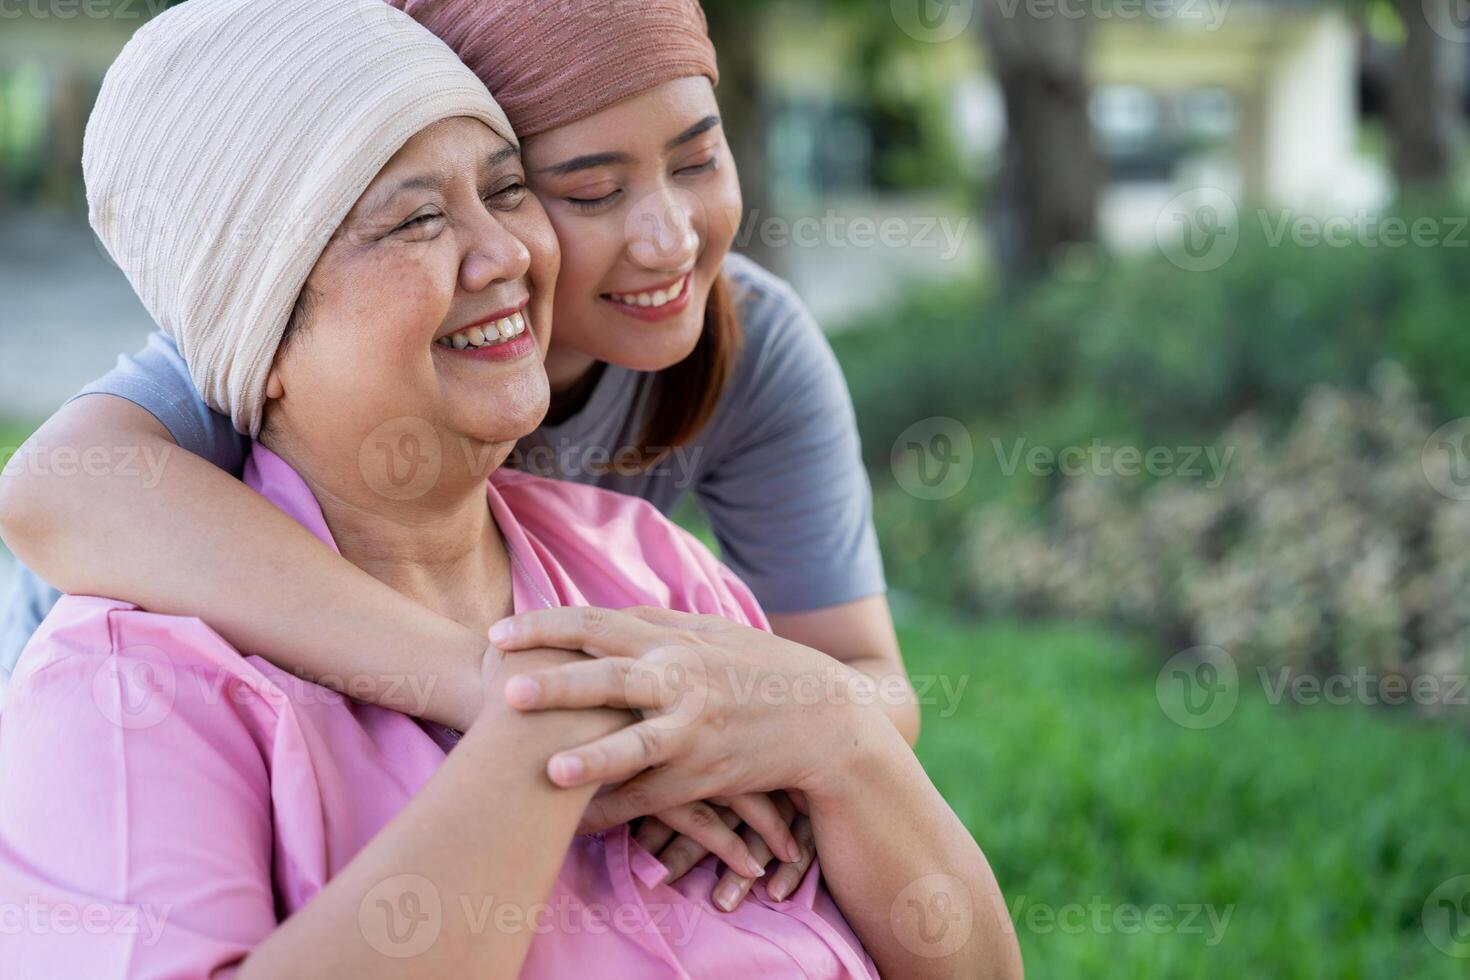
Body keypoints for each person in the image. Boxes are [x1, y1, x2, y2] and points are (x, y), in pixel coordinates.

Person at [0, 2, 1021, 977]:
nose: (507, 253)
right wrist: (538, 707)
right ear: (257, 340)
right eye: (413, 221)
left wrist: (830, 724)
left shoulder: (655, 560)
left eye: (503, 190)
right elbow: (52, 486)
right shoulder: (136, 680)